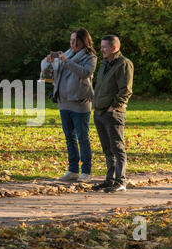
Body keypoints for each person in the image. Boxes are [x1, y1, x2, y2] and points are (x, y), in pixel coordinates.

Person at [41, 28, 97, 183]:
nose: (72, 43)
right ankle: (73, 170)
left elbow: (85, 73)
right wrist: (50, 64)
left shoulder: (90, 57)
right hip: (63, 101)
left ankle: (86, 171)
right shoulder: (66, 54)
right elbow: (53, 76)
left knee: (82, 137)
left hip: (80, 103)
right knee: (69, 137)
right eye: (71, 40)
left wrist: (66, 61)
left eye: (75, 41)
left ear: (83, 41)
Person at [91, 35, 134, 193]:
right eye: (101, 46)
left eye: (104, 47)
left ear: (114, 48)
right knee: (107, 148)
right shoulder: (105, 64)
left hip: (113, 113)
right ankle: (109, 180)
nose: (101, 49)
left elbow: (126, 90)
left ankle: (120, 180)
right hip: (99, 111)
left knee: (117, 147)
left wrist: (114, 107)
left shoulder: (124, 64)